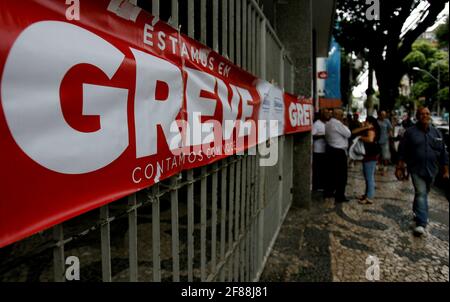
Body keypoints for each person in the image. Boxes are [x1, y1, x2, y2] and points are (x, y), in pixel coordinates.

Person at [396, 107, 449, 236]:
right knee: (421, 193)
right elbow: (402, 151)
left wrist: (446, 170)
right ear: (417, 116)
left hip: (432, 170)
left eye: (427, 114)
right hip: (415, 169)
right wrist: (400, 167)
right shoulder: (410, 133)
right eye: (422, 114)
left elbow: (443, 154)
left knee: (423, 194)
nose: (425, 116)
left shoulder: (436, 133)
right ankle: (421, 223)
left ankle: (417, 211)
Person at [325, 108, 352, 203]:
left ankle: (329, 192)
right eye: (341, 115)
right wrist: (344, 124)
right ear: (337, 115)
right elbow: (348, 134)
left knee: (332, 173)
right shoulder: (337, 123)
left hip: (331, 150)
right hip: (338, 152)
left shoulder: (328, 123)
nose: (342, 117)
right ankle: (339, 196)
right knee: (342, 175)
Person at [352, 116, 380, 204]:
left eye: (366, 121)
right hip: (368, 156)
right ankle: (367, 194)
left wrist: (360, 138)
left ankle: (369, 197)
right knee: (368, 176)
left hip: (370, 156)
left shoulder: (371, 129)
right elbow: (353, 132)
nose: (364, 122)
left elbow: (370, 139)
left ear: (370, 122)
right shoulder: (368, 128)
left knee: (369, 177)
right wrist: (364, 127)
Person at [312, 108, 330, 191]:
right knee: (317, 169)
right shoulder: (316, 124)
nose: (328, 115)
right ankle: (316, 185)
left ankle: (322, 185)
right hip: (318, 150)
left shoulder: (327, 123)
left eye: (328, 113)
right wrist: (322, 136)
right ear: (322, 115)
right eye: (326, 113)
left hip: (325, 150)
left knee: (323, 169)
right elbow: (312, 136)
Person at [377, 110, 393, 175]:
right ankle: (378, 166)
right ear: (379, 115)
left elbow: (390, 129)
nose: (383, 116)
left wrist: (389, 136)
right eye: (382, 114)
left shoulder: (387, 121)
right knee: (377, 154)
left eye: (384, 114)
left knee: (385, 155)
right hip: (377, 140)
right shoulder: (376, 121)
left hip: (385, 140)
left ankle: (385, 168)